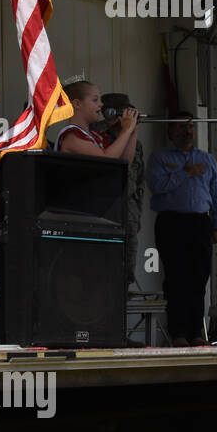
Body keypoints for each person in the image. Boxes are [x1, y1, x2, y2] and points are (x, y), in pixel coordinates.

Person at [146, 113, 217, 346]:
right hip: (172, 223)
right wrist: (185, 173)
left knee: (199, 279)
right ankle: (178, 333)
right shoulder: (160, 157)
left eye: (191, 127)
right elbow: (157, 186)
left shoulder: (207, 159)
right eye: (182, 127)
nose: (188, 131)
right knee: (176, 278)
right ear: (170, 132)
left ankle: (196, 333)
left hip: (200, 223)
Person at [96, 93, 145, 288]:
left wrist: (137, 213)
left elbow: (140, 178)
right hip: (104, 209)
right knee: (104, 265)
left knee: (127, 264)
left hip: (129, 207)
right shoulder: (95, 134)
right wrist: (119, 124)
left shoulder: (136, 143)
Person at [56, 80, 139, 161]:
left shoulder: (95, 135)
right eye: (95, 100)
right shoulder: (71, 136)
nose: (101, 104)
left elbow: (123, 164)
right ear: (77, 104)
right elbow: (106, 160)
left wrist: (132, 131)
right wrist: (126, 130)